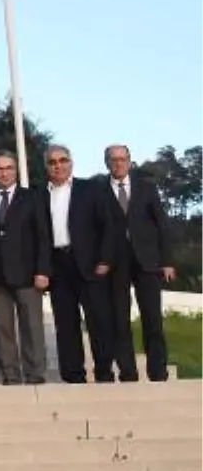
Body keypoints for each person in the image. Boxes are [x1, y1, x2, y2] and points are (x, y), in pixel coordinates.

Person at [37, 145, 117, 384]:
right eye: (52, 162)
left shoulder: (90, 189)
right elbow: (39, 235)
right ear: (47, 167)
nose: (58, 165)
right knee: (65, 324)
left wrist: (105, 260)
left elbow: (109, 226)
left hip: (90, 265)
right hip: (58, 265)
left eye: (63, 160)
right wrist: (42, 269)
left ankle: (104, 373)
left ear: (71, 163)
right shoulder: (39, 194)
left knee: (98, 321)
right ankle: (73, 375)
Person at [101, 144, 176, 382]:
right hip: (116, 263)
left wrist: (167, 261)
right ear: (107, 163)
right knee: (119, 320)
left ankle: (158, 371)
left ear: (130, 162)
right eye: (113, 160)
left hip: (148, 261)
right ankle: (128, 372)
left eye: (123, 159)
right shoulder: (98, 190)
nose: (118, 163)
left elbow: (162, 225)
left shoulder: (146, 188)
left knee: (152, 319)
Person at [0, 152, 51, 385]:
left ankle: (35, 374)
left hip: (28, 274)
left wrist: (43, 270)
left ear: (16, 171)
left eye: (8, 168)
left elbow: (43, 237)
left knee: (32, 327)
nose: (4, 173)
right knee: (1, 328)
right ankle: (10, 374)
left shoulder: (31, 198)